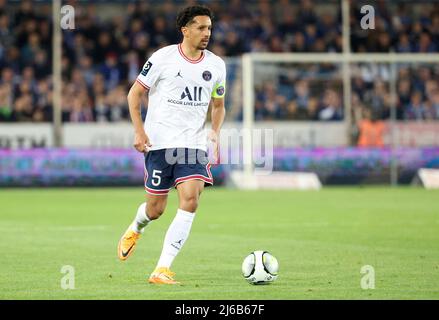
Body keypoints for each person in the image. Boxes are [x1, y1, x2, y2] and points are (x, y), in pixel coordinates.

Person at [117, 5, 226, 285]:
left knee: (191, 200)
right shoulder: (163, 58)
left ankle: (162, 269)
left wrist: (214, 131)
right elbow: (134, 94)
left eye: (209, 28)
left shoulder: (216, 65)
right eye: (201, 28)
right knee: (156, 209)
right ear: (185, 30)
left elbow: (219, 105)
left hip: (192, 145)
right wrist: (139, 131)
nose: (207, 34)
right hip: (159, 144)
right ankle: (136, 227)